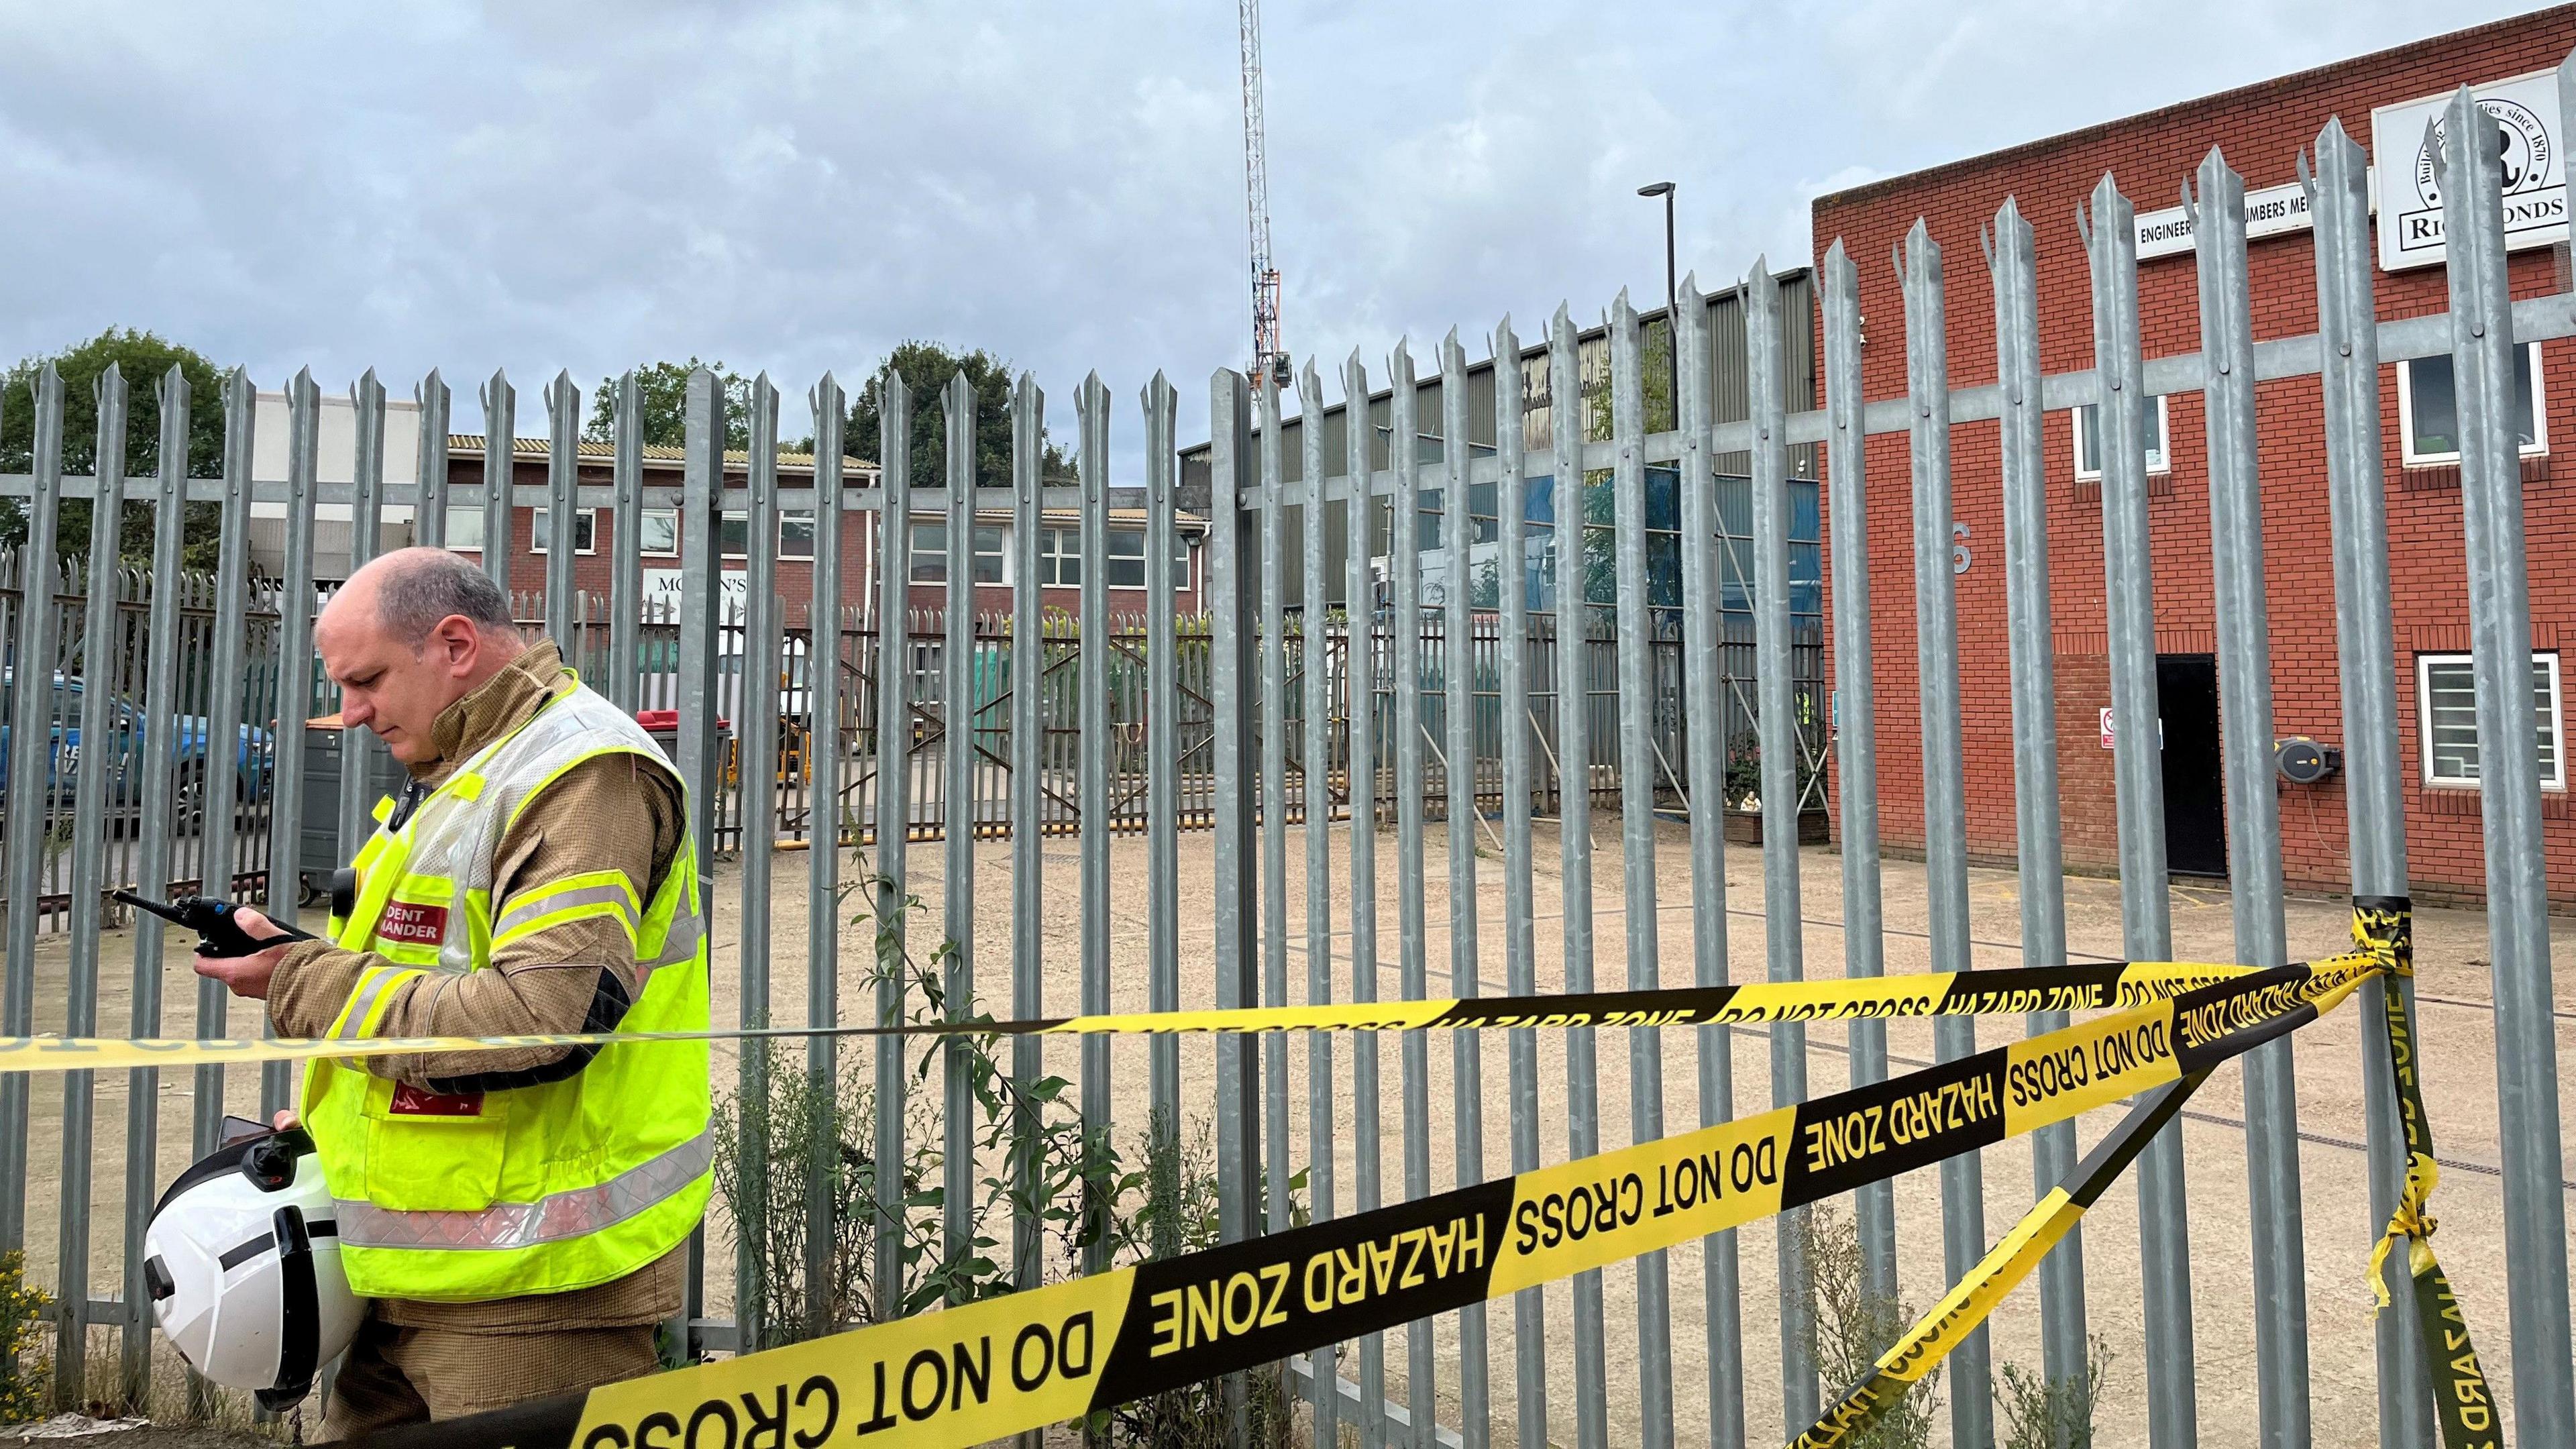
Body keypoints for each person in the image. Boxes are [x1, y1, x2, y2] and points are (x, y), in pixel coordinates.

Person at [199, 547, 709, 1438]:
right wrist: (335, 1129)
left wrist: (300, 979)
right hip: (409, 1277)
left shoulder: (578, 775)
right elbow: (423, 989)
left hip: (532, 1300)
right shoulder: (467, 768)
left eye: (366, 681)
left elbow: (535, 1025)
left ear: (457, 644)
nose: (350, 713)